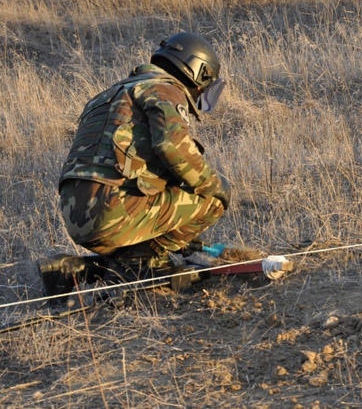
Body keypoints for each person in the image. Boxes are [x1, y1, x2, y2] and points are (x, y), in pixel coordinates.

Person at [39, 32, 230, 297]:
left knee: (164, 193)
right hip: (113, 209)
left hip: (75, 213)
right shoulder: (164, 88)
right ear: (199, 73)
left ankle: (80, 269)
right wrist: (212, 185)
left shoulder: (107, 96)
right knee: (216, 196)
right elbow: (172, 147)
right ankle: (145, 264)